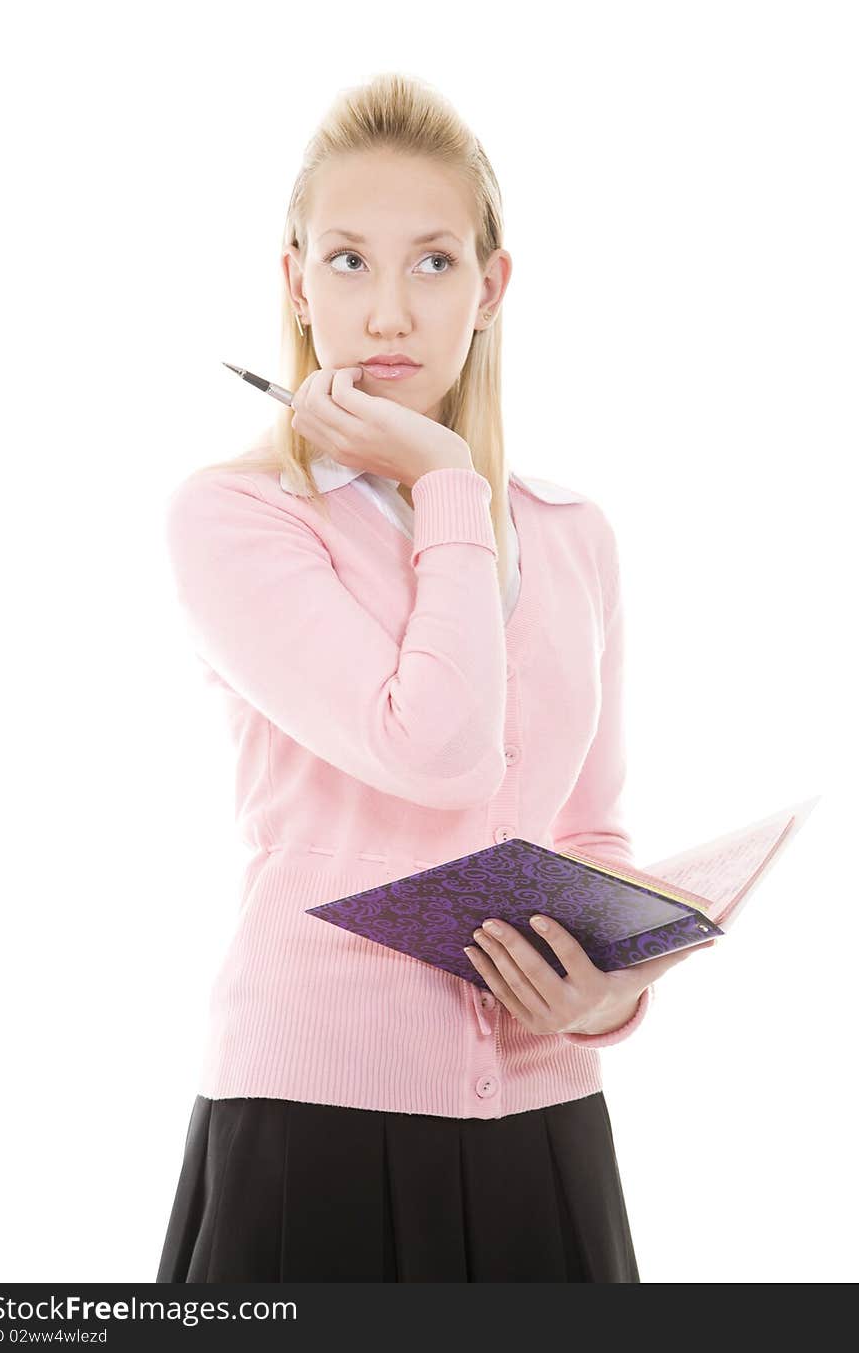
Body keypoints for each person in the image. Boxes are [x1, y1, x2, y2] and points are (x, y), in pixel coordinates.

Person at [155, 71, 713, 1284]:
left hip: (548, 1131)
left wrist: (602, 1005)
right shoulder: (238, 519)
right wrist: (451, 479)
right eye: (348, 262)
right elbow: (435, 748)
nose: (390, 312)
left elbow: (590, 833)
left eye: (433, 261)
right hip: (313, 1126)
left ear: (489, 284)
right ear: (296, 278)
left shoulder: (573, 536)